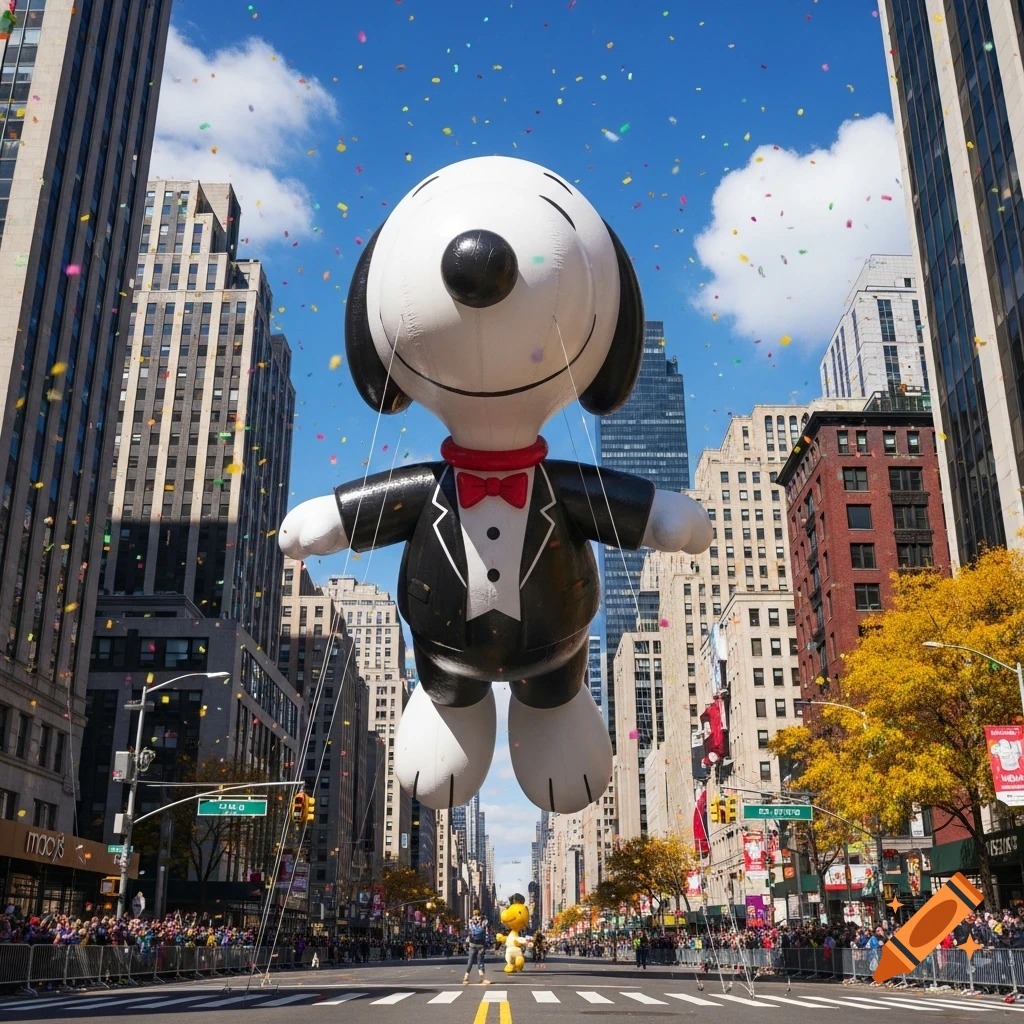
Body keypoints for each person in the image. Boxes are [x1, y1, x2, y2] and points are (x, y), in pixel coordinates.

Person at [463, 909, 492, 985]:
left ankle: (466, 977)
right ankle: (482, 977)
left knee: (470, 961)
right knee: (480, 960)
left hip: (472, 943)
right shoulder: (483, 920)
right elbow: (486, 929)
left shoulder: (471, 920)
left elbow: (469, 929)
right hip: (481, 944)